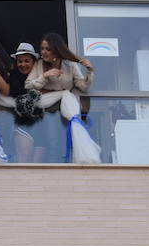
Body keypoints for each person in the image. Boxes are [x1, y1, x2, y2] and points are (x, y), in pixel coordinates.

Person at [28, 32, 101, 164]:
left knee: (71, 138)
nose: (43, 52)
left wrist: (89, 71)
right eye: (42, 49)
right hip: (50, 110)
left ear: (56, 50)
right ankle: (55, 167)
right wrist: (45, 76)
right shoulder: (39, 65)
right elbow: (28, 86)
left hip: (69, 109)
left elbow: (83, 86)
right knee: (53, 141)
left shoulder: (70, 65)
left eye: (47, 49)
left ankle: (74, 166)